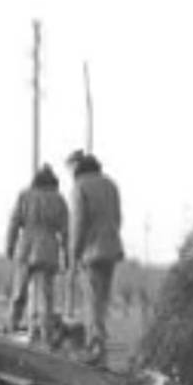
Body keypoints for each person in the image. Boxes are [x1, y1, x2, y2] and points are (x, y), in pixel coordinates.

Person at [65, 149, 124, 366]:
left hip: (91, 251)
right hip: (111, 248)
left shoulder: (80, 187)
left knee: (91, 301)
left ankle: (95, 348)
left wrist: (73, 255)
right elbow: (118, 218)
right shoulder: (110, 185)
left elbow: (78, 223)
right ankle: (100, 348)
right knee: (102, 301)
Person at [5, 164, 70, 342]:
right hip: (48, 249)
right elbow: (66, 231)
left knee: (19, 292)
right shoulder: (59, 199)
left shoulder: (24, 196)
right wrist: (67, 256)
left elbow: (14, 223)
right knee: (45, 296)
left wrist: (10, 247)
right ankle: (46, 334)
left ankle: (11, 328)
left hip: (25, 247)